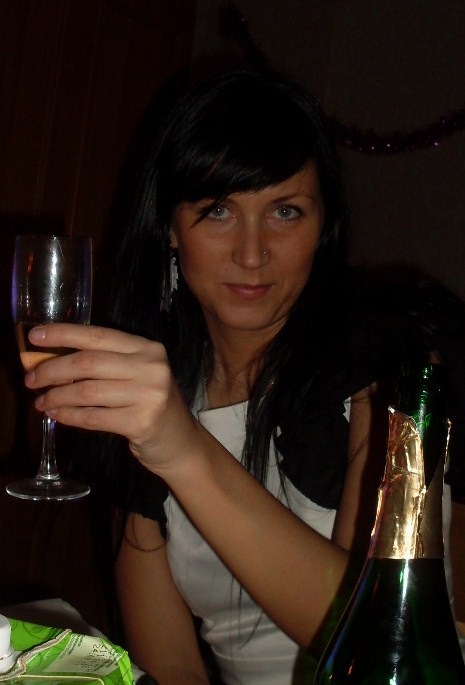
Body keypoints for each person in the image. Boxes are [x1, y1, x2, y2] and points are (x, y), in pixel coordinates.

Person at [23, 70, 465, 684]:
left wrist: (183, 447)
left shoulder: (388, 362)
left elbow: (382, 636)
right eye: (218, 211)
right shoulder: (154, 386)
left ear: (323, 224)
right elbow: (172, 665)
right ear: (170, 227)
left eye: (285, 211)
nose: (252, 253)